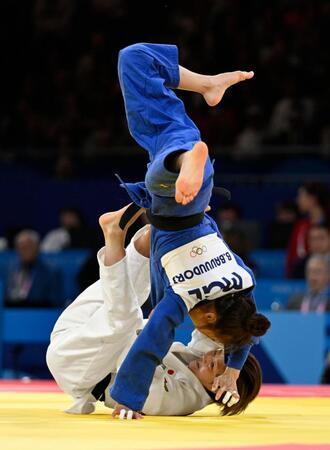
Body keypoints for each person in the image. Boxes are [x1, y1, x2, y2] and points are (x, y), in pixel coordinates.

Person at [109, 43, 270, 418]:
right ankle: (187, 159)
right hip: (174, 196)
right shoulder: (183, 297)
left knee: (136, 60)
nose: (206, 342)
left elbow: (248, 327)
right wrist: (129, 399)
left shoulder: (242, 284)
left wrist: (232, 369)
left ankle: (205, 88)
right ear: (210, 318)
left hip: (199, 195)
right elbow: (152, 342)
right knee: (169, 169)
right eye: (211, 336)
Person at [46, 207, 262, 418]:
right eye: (214, 355)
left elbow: (134, 363)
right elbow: (244, 323)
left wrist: (129, 401)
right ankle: (159, 210)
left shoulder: (182, 400)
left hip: (78, 368)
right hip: (80, 329)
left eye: (213, 364)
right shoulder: (207, 365)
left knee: (127, 317)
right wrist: (233, 369)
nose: (207, 357)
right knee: (141, 266)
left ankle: (116, 235)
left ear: (218, 391)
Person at [5, 229, 62, 307]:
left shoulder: (51, 272)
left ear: (38, 248)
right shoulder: (9, 271)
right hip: (12, 313)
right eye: (23, 248)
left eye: (30, 247)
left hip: (39, 314)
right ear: (17, 250)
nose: (26, 251)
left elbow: (55, 302)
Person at [286, 182, 330, 277]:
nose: (297, 200)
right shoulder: (300, 226)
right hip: (303, 275)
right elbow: (292, 257)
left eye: (301, 196)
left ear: (312, 198)